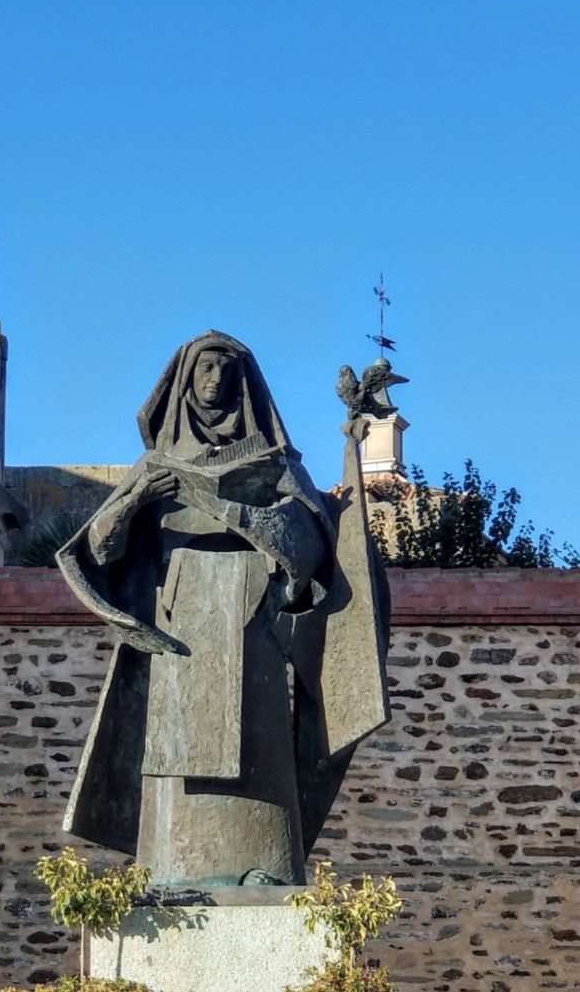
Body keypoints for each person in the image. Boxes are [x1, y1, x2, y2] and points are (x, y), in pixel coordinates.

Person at [57, 331, 389, 886]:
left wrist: (247, 517)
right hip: (180, 620)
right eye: (204, 369)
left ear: (243, 384)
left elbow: (310, 539)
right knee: (177, 751)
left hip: (251, 615)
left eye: (225, 370)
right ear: (184, 383)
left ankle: (266, 865)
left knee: (258, 743)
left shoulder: (274, 462)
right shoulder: (156, 465)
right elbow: (98, 553)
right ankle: (172, 870)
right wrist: (136, 501)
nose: (214, 380)